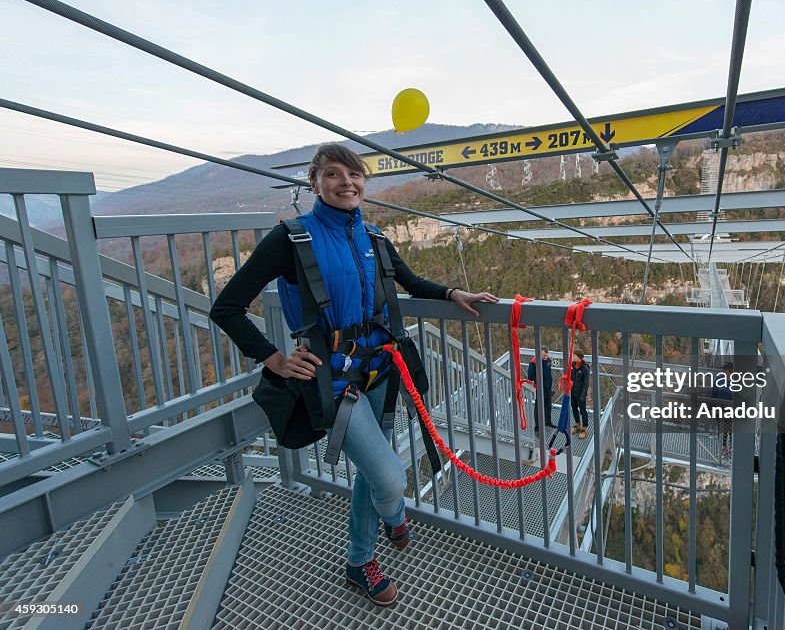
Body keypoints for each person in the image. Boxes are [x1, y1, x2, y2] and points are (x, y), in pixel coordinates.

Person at [210, 144, 497, 607]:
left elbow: (410, 282)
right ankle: (394, 512)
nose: (347, 183)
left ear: (365, 182)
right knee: (388, 478)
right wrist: (275, 359)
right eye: (334, 175)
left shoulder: (374, 236)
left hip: (381, 368)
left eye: (355, 175)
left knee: (372, 467)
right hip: (334, 379)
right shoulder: (291, 238)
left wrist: (452, 292)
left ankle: (359, 560)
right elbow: (227, 306)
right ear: (314, 183)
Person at [528, 346, 555, 432]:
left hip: (548, 387)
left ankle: (548, 421)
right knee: (539, 407)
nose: (545, 357)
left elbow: (549, 373)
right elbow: (530, 377)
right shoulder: (533, 363)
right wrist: (538, 381)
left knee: (548, 405)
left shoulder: (548, 360)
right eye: (544, 355)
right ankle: (537, 427)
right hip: (539, 388)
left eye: (546, 355)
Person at [569, 350, 590, 439]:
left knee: (582, 410)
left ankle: (584, 428)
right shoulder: (573, 366)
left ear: (580, 357)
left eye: (575, 356)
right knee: (574, 408)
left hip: (580, 392)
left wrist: (583, 394)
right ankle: (577, 424)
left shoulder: (585, 368)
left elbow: (586, 383)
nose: (573, 358)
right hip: (573, 391)